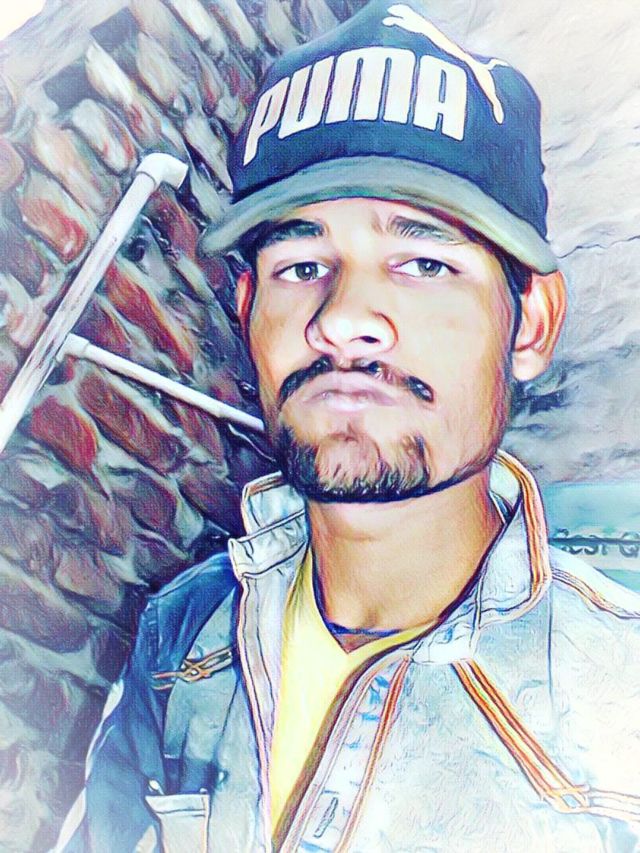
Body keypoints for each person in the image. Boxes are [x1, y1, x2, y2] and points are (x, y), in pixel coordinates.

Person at [57, 1, 640, 850]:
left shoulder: (620, 689)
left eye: (424, 261)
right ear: (248, 311)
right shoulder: (181, 636)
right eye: (302, 264)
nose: (343, 318)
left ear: (533, 323)